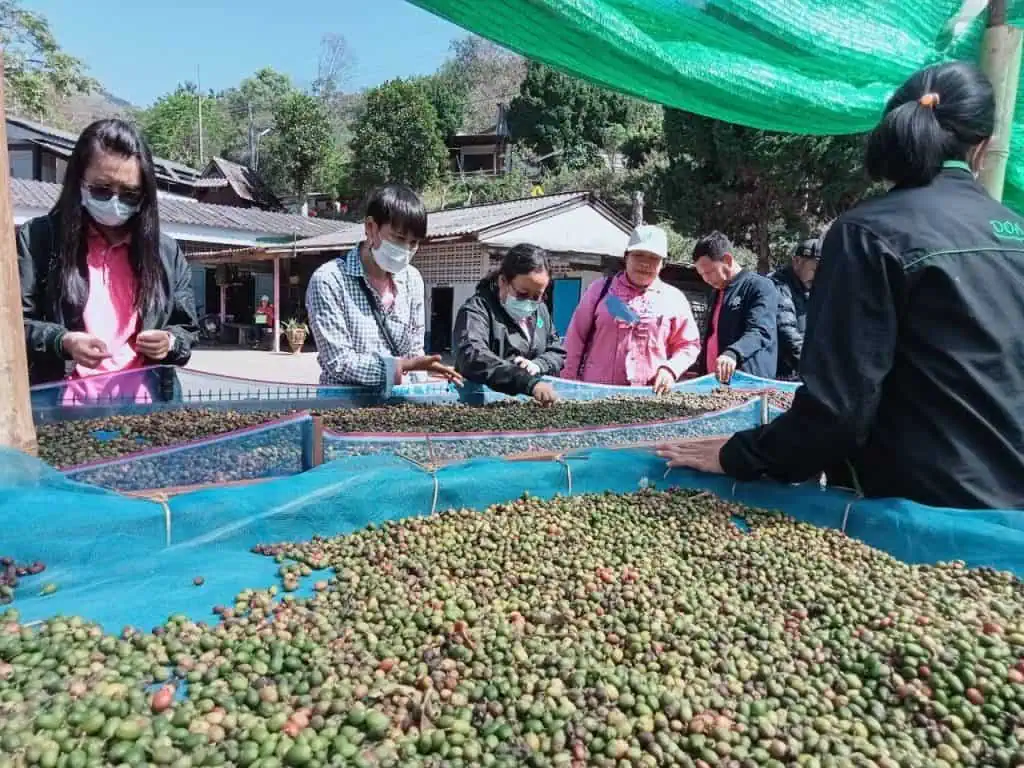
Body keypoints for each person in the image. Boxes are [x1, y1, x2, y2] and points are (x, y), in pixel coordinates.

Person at [659, 61, 1024, 510]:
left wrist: (739, 454)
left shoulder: (868, 234)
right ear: (985, 146)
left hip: (920, 508)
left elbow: (838, 411)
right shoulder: (1015, 230)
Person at [17, 119, 198, 402]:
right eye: (102, 189)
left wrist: (170, 342)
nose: (115, 201)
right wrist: (61, 340)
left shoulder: (165, 251)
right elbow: (13, 324)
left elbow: (186, 327)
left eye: (129, 193)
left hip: (149, 413)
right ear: (79, 181)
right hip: (60, 411)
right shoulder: (40, 239)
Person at [305, 183, 462, 390]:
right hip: (344, 407)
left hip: (399, 402)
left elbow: (415, 350)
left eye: (413, 243)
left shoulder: (412, 279)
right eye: (398, 238)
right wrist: (402, 366)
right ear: (371, 227)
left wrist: (422, 392)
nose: (406, 250)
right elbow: (339, 363)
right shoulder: (329, 280)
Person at [561, 225, 700, 393]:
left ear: (663, 264)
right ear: (626, 257)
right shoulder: (600, 291)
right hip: (596, 393)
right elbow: (575, 339)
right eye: (638, 255)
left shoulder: (673, 299)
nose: (645, 263)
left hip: (650, 396)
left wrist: (670, 369)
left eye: (653, 258)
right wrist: (566, 385)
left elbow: (689, 345)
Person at [453, 244, 564, 404]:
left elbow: (556, 350)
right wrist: (526, 381)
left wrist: (538, 364)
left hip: (529, 406)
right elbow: (472, 357)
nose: (529, 302)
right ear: (503, 281)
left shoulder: (541, 311)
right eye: (522, 294)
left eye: (536, 296)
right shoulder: (477, 311)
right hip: (482, 404)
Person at [692, 232, 778, 383]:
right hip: (713, 382)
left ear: (727, 260)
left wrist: (733, 353)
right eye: (701, 275)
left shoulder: (759, 286)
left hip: (747, 382)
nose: (706, 279)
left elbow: (760, 331)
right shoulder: (716, 292)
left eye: (709, 272)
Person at [771, 238, 820, 380]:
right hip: (784, 375)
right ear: (797, 261)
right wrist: (814, 370)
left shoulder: (810, 287)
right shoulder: (779, 286)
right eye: (814, 269)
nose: (818, 276)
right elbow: (787, 334)